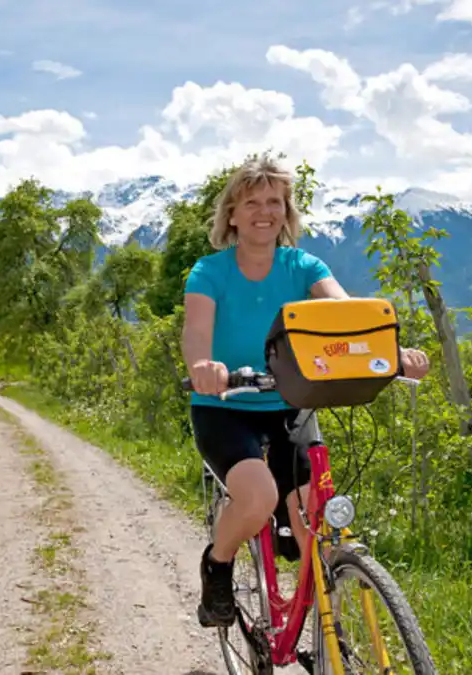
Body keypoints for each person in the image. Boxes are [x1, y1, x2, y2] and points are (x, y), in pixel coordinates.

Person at [181, 155, 431, 628]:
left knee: (315, 521)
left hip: (292, 402)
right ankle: (218, 563)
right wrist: (202, 365)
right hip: (225, 406)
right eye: (251, 201)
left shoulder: (303, 266)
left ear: (287, 211)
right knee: (257, 498)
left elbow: (346, 315)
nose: (265, 211)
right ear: (232, 214)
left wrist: (391, 353)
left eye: (274, 201)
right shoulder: (209, 272)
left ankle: (314, 628)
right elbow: (197, 330)